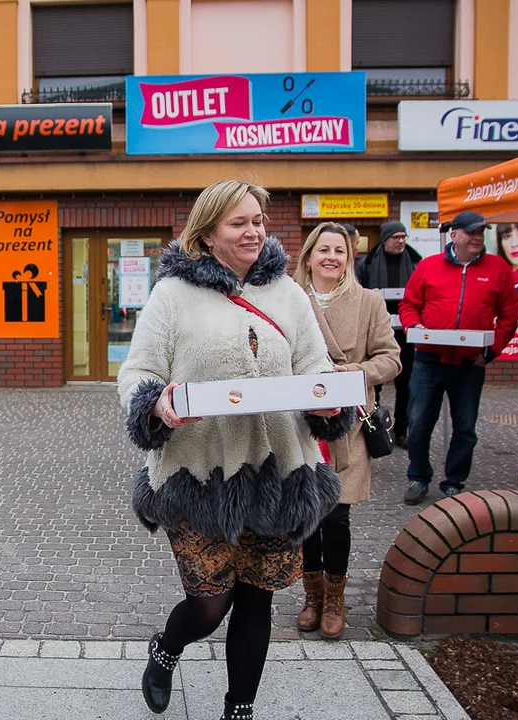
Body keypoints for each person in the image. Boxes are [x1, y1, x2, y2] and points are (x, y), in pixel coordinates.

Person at [117, 180, 352, 720]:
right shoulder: (173, 295)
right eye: (238, 223)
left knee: (256, 599)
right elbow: (139, 374)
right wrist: (157, 403)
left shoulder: (288, 293)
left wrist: (325, 397)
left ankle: (238, 709)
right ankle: (166, 649)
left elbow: (314, 366)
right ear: (207, 233)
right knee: (209, 604)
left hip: (281, 472)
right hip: (199, 475)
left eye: (259, 222)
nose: (253, 231)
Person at [293, 222, 401, 639]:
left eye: (340, 251)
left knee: (337, 516)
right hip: (302, 423)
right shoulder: (291, 300)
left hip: (348, 426)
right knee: (306, 516)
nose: (331, 257)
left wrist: (352, 372)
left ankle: (335, 600)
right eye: (323, 250)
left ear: (349, 258)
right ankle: (312, 596)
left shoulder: (369, 302)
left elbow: (391, 359)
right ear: (309, 256)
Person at [399, 211, 518, 504]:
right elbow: (409, 304)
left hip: (469, 365)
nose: (477, 236)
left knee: (465, 428)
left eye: (481, 231)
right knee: (417, 425)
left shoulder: (498, 268)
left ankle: (454, 481)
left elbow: (509, 315)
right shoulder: (428, 266)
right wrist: (414, 327)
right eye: (471, 231)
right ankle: (418, 477)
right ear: (454, 235)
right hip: (429, 361)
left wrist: (491, 352)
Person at [356, 221, 422, 447]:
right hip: (374, 332)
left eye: (403, 236)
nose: (401, 241)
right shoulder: (368, 263)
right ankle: (373, 426)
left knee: (406, 383)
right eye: (396, 237)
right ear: (385, 240)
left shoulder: (415, 262)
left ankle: (402, 430)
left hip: (405, 332)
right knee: (376, 383)